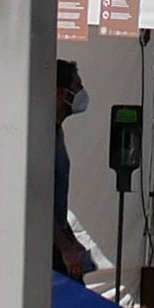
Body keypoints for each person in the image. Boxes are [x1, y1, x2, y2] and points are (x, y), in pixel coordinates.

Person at [53, 59, 96, 280]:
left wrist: (71, 241)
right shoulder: (40, 136)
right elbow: (36, 203)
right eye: (77, 87)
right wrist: (65, 248)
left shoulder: (56, 131)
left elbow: (55, 205)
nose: (81, 93)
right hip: (45, 250)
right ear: (60, 93)